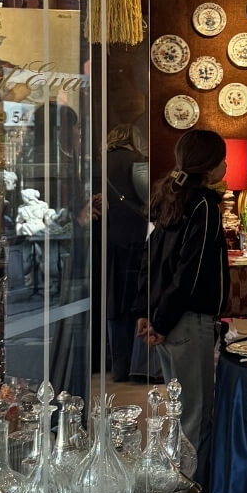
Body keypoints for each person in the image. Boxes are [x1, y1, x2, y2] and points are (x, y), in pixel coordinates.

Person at [135, 130, 229, 493]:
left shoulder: (172, 196)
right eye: (222, 158)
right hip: (187, 322)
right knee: (194, 415)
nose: (226, 164)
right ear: (208, 166)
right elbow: (191, 272)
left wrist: (148, 313)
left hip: (168, 320)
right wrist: (160, 319)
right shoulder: (204, 206)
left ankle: (173, 489)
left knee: (178, 415)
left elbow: (151, 262)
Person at [104, 124, 148, 383]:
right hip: (135, 239)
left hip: (107, 241)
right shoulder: (139, 161)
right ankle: (135, 367)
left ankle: (116, 367)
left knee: (113, 305)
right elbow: (148, 201)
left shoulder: (99, 163)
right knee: (134, 302)